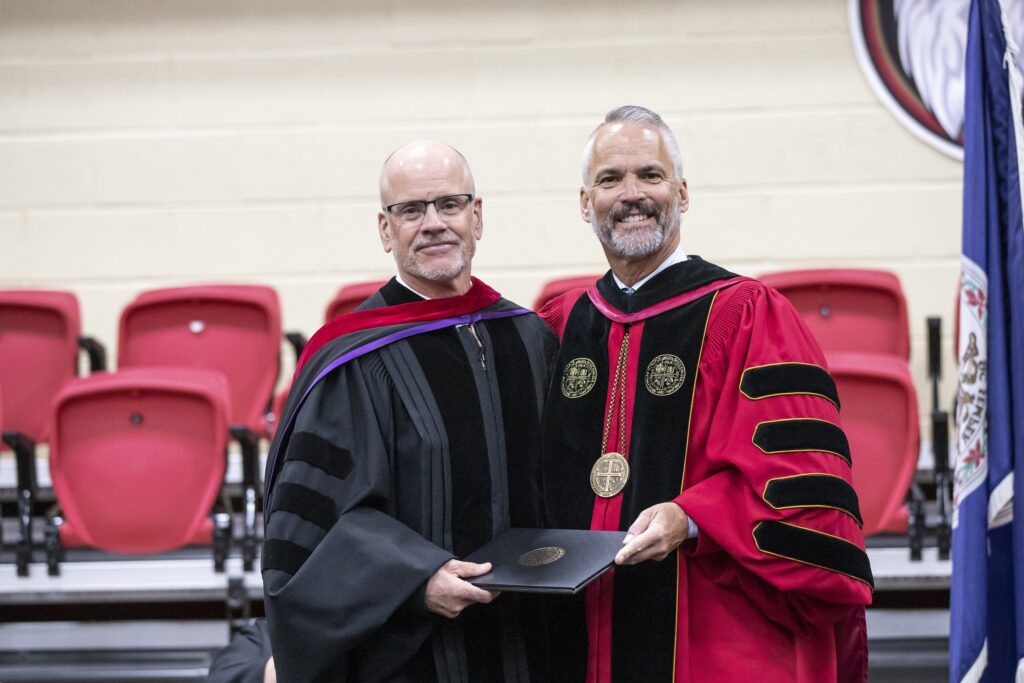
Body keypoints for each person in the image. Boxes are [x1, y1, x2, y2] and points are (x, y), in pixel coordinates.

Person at [539, 106, 873, 682]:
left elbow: (801, 487)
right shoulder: (561, 324)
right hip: (579, 629)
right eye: (610, 179)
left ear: (682, 193)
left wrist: (689, 518)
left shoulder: (747, 315)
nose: (631, 194)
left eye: (650, 175)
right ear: (584, 200)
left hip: (710, 626)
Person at [261, 141, 557, 682]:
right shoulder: (353, 359)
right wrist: (413, 580)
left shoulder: (527, 337)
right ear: (384, 229)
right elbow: (315, 526)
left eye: (449, 204)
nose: (434, 223)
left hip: (531, 642)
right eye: (411, 210)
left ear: (477, 215)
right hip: (411, 656)